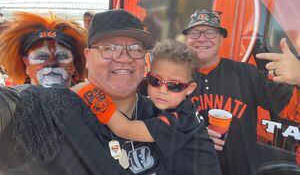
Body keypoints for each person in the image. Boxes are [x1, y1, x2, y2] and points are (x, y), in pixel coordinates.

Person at [73, 39, 222, 175]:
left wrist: (89, 92)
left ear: (190, 88)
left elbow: (125, 129)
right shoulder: (178, 107)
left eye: (174, 85)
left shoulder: (179, 119)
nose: (162, 90)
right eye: (155, 81)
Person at [181, 9, 300, 175]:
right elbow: (154, 124)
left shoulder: (247, 73)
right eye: (195, 32)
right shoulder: (175, 78)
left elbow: (292, 111)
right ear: (187, 39)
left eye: (210, 32)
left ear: (221, 38)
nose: (201, 38)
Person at [0, 12, 87, 87]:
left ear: (74, 64)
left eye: (61, 56)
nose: (52, 63)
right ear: (26, 63)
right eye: (41, 57)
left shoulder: (88, 101)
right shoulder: (14, 103)